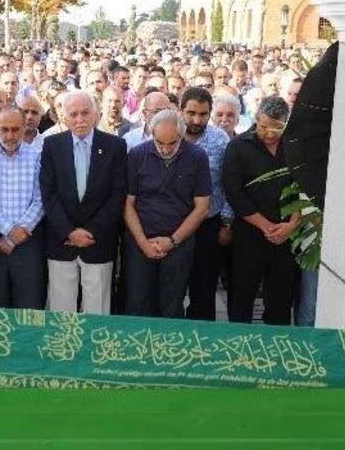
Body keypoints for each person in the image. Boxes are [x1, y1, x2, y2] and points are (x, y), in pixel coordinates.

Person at [39, 91, 128, 314]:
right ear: (64, 117)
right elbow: (48, 193)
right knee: (62, 311)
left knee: (97, 311)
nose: (80, 119)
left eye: (85, 113)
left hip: (98, 241)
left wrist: (91, 231)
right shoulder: (52, 145)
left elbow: (117, 195)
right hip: (62, 241)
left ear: (96, 114)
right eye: (73, 114)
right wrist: (69, 232)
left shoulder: (115, 146)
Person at [123, 110, 211, 318]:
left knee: (172, 303)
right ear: (151, 134)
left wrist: (172, 241)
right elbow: (128, 204)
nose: (165, 149)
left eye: (172, 143)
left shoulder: (197, 157)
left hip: (179, 242)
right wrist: (143, 243)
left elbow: (202, 208)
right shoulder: (137, 155)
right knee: (137, 301)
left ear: (181, 135)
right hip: (140, 240)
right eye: (159, 142)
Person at [223, 96, 300, 325]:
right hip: (250, 233)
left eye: (276, 128)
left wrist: (292, 224)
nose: (268, 133)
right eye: (263, 126)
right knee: (242, 295)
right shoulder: (238, 146)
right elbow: (234, 192)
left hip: (286, 234)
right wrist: (266, 226)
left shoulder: (295, 145)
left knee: (281, 299)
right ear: (256, 118)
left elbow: (303, 188)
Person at [0, 108, 47, 309]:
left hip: (29, 241)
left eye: (16, 129)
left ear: (25, 127)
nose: (10, 136)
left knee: (29, 304)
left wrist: (16, 235)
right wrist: (9, 231)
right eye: (5, 129)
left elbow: (40, 201)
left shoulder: (37, 157)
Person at [180, 87, 233, 320]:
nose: (196, 120)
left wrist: (227, 223)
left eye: (203, 114)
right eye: (191, 113)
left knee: (204, 286)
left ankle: (200, 333)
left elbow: (228, 183)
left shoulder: (220, 139)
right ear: (180, 110)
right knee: (172, 285)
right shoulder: (169, 134)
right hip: (173, 223)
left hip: (208, 223)